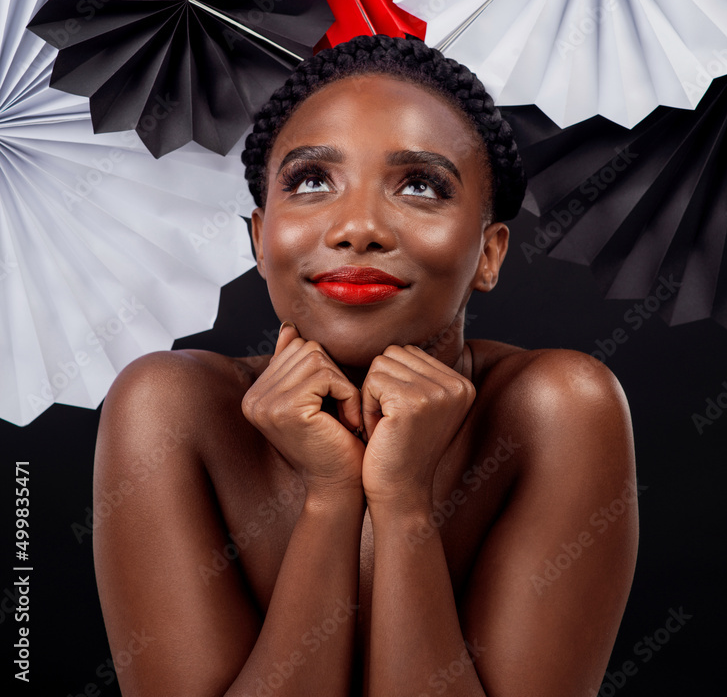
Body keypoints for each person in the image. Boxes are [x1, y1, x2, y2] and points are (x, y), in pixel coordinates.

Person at [93, 34, 638, 697]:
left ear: (490, 253)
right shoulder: (168, 408)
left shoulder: (558, 408)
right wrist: (332, 497)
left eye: (420, 186)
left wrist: (402, 504)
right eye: (313, 181)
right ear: (260, 239)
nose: (359, 227)